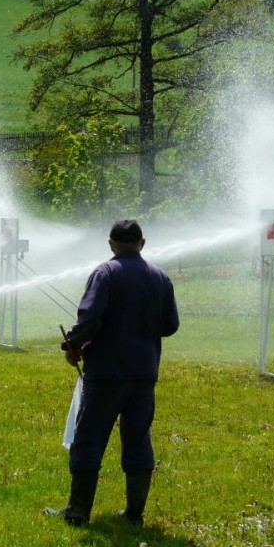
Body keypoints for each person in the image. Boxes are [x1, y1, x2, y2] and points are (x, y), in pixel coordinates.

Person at [50, 219, 179, 527]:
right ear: (142, 243)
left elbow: (91, 318)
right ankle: (134, 513)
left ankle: (78, 511)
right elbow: (170, 326)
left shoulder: (105, 274)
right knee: (137, 439)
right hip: (144, 373)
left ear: (110, 245)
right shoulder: (160, 278)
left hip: (107, 373)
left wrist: (72, 342)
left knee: (89, 439)